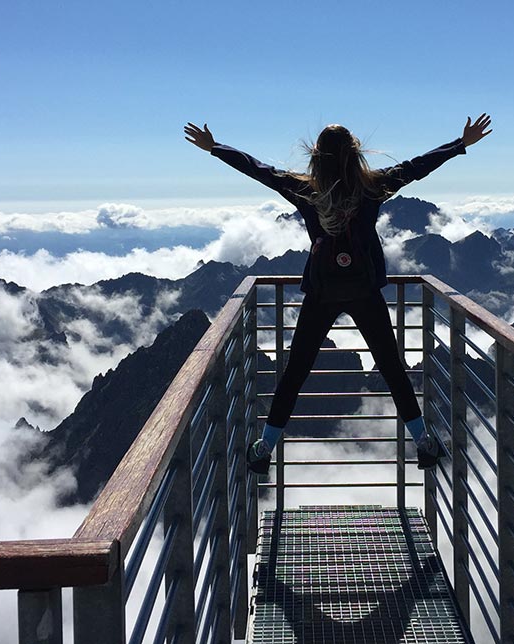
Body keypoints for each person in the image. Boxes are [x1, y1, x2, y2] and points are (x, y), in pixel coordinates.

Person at [183, 115, 492, 475]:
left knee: (296, 370)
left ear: (316, 156)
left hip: (322, 291)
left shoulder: (304, 190)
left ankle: (265, 446)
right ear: (355, 153)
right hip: (364, 290)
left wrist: (215, 148)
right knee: (392, 368)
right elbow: (417, 167)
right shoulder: (373, 187)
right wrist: (460, 143)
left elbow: (259, 170)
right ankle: (423, 441)